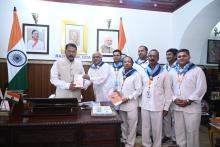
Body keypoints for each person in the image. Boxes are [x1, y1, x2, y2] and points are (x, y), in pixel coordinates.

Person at [169, 49, 207, 147]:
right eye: (179, 56)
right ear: (176, 58)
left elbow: (201, 87)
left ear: (189, 57)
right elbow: (168, 88)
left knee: (192, 132)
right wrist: (174, 99)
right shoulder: (173, 71)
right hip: (177, 106)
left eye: (184, 56)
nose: (181, 58)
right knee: (179, 131)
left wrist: (189, 100)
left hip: (192, 107)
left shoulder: (197, 70)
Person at [141, 49, 172, 147]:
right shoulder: (143, 71)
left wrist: (166, 107)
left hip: (158, 105)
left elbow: (168, 91)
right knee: (145, 127)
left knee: (157, 129)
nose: (152, 58)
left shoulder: (164, 72)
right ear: (147, 57)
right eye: (150, 56)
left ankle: (157, 145)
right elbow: (140, 88)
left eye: (154, 56)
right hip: (145, 104)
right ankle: (146, 144)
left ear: (158, 58)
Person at [115, 56, 142, 147]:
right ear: (122, 63)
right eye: (125, 62)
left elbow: (139, 90)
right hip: (121, 103)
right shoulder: (121, 73)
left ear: (132, 63)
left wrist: (128, 98)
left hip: (131, 104)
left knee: (132, 125)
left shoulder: (136, 74)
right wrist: (118, 95)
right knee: (123, 124)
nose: (126, 63)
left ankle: (130, 143)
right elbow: (118, 85)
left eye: (129, 62)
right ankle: (124, 139)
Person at [162, 48, 178, 144]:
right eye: (167, 55)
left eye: (170, 55)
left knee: (175, 119)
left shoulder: (178, 67)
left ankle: (175, 138)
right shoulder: (164, 67)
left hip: (175, 97)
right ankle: (167, 135)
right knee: (166, 117)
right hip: (165, 96)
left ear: (175, 56)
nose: (167, 57)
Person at [133, 45, 148, 136]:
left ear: (146, 52)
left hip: (146, 90)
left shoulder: (149, 63)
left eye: (142, 51)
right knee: (136, 110)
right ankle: (137, 130)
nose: (140, 52)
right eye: (139, 51)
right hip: (135, 90)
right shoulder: (134, 63)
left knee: (143, 111)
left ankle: (143, 131)